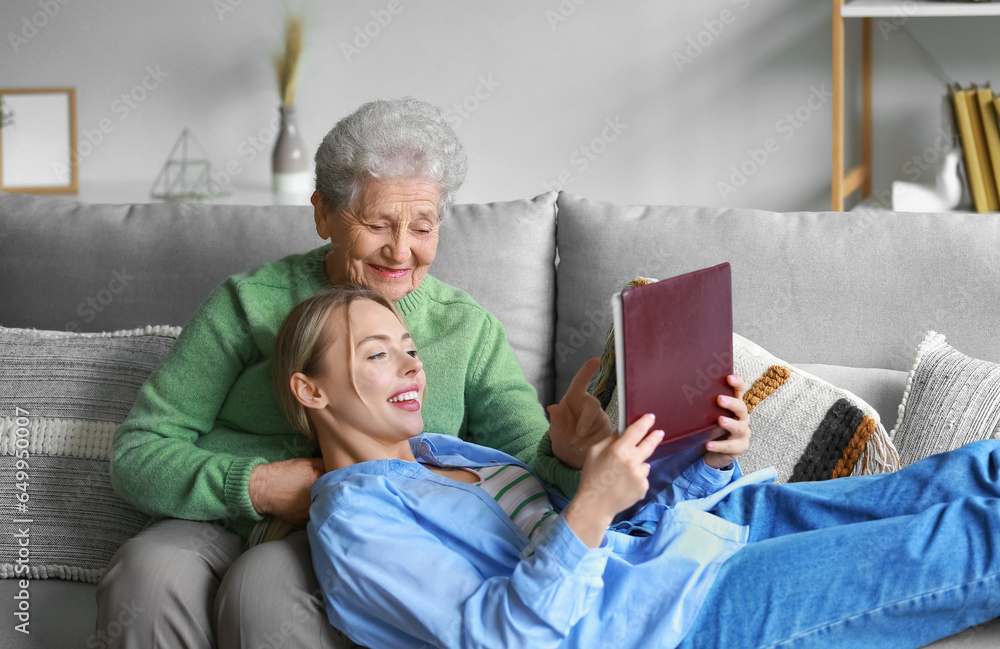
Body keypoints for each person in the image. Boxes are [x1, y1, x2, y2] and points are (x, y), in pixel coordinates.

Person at [98, 98, 596, 649]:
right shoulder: (248, 304)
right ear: (323, 215)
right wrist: (259, 485)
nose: (400, 250)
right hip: (222, 518)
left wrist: (579, 459)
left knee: (265, 586)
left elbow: (531, 465)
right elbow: (139, 454)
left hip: (370, 528)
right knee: (151, 574)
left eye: (423, 226)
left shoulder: (467, 331)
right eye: (378, 223)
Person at [276, 285, 1000, 649]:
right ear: (310, 390)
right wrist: (589, 502)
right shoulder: (353, 516)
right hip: (677, 616)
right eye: (377, 353)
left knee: (970, 472)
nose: (410, 364)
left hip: (707, 532)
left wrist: (706, 458)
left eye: (408, 346)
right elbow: (502, 637)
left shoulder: (452, 454)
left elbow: (629, 530)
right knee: (963, 540)